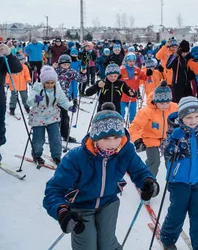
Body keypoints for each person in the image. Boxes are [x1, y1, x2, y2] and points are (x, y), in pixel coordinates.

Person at [43, 106, 159, 250]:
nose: (112, 143)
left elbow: (140, 171)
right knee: (87, 246)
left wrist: (148, 182)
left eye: (116, 137)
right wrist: (62, 211)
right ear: (95, 137)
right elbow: (54, 190)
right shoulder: (76, 158)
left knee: (107, 245)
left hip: (109, 202)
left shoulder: (125, 150)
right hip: (81, 206)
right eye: (105, 138)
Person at [160, 96, 198, 250]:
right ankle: (168, 239)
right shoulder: (175, 131)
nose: (193, 120)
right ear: (181, 117)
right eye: (188, 117)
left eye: (196, 116)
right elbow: (164, 150)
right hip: (178, 180)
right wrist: (173, 138)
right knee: (177, 212)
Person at [27, 66, 74, 166]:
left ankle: (56, 156)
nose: (50, 85)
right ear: (43, 82)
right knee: (39, 139)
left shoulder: (57, 88)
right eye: (47, 83)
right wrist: (36, 100)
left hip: (53, 117)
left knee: (56, 138)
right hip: (38, 118)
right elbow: (29, 102)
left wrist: (69, 107)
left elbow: (63, 101)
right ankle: (37, 155)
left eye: (52, 82)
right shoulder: (37, 88)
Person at [129, 81, 178, 177]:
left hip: (167, 138)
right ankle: (148, 181)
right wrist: (137, 141)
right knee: (154, 160)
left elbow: (184, 118)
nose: (164, 106)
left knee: (171, 159)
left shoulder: (174, 108)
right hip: (150, 138)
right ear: (155, 101)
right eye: (161, 103)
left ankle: (174, 180)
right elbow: (134, 127)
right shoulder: (147, 111)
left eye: (167, 103)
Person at [54, 54, 84, 143]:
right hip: (53, 98)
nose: (66, 66)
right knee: (55, 117)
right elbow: (45, 77)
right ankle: (54, 135)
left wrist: (83, 73)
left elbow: (81, 79)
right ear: (60, 64)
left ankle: (65, 135)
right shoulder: (55, 71)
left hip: (64, 98)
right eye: (64, 64)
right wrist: (52, 68)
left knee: (65, 118)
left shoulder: (71, 72)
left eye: (67, 64)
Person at [120, 52, 146, 122]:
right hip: (122, 96)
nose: (132, 63)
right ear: (126, 61)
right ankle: (120, 127)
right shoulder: (121, 69)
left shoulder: (137, 70)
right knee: (121, 113)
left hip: (133, 96)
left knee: (133, 115)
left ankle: (132, 127)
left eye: (133, 61)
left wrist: (149, 72)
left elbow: (144, 77)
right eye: (130, 61)